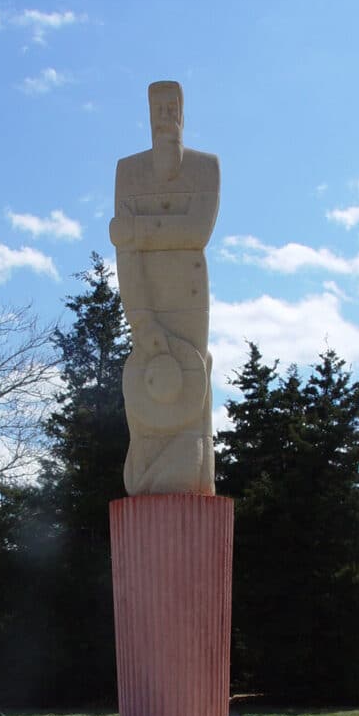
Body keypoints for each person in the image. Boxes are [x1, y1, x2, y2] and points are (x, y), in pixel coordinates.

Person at [110, 81, 220, 495]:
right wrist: (141, 320)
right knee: (151, 397)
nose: (164, 114)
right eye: (157, 106)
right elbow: (123, 249)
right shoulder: (129, 171)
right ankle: (150, 475)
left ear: (183, 112)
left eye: (172, 106)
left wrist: (136, 229)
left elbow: (197, 230)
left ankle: (192, 473)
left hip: (190, 299)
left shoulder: (205, 167)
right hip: (147, 299)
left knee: (191, 385)